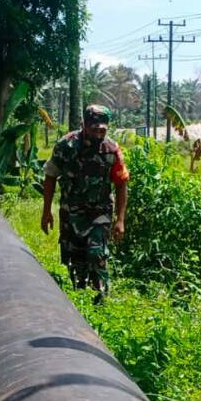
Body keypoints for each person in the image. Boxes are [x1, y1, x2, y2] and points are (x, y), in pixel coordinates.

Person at [41, 104, 129, 302]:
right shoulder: (66, 146)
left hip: (100, 213)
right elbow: (50, 176)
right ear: (84, 125)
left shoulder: (111, 150)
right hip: (70, 212)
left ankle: (101, 300)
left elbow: (122, 184)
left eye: (103, 129)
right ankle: (79, 299)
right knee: (75, 257)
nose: (99, 133)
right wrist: (46, 211)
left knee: (97, 254)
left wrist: (120, 219)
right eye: (94, 128)